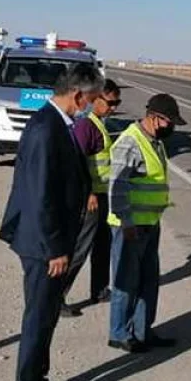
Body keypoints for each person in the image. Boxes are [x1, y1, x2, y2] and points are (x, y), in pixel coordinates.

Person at [0, 63, 103, 381]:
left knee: (47, 318)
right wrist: (55, 249)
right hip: (44, 245)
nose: (92, 106)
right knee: (38, 319)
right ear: (78, 95)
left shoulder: (57, 123)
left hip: (50, 240)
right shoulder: (46, 128)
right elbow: (41, 195)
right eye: (92, 99)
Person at [106, 93, 186, 353]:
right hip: (130, 226)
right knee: (126, 281)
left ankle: (142, 332)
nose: (171, 127)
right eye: (168, 122)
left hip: (150, 223)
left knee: (148, 281)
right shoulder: (130, 142)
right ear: (154, 117)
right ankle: (119, 333)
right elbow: (117, 187)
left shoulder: (155, 142)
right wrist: (127, 222)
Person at [59, 78, 122, 317]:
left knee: (102, 246)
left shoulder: (99, 124)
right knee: (80, 247)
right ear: (96, 99)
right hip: (91, 199)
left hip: (104, 196)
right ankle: (57, 297)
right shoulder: (85, 126)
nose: (113, 108)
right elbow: (76, 163)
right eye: (110, 103)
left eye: (117, 103)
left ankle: (100, 289)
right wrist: (88, 194)